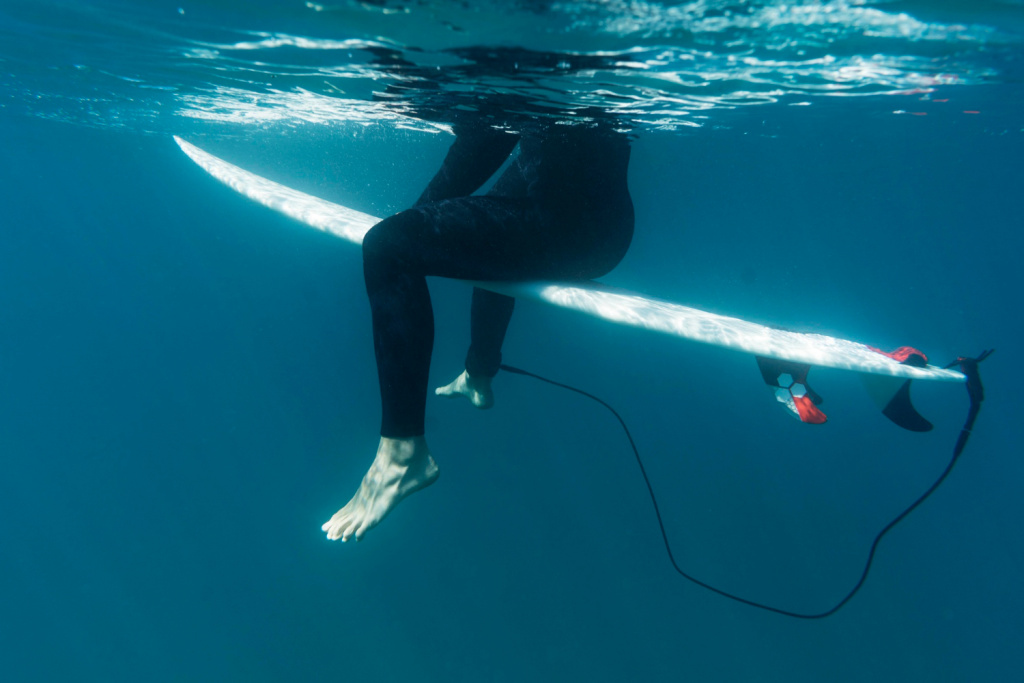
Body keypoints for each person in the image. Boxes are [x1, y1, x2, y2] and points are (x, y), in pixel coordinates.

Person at [321, 117, 634, 541]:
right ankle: (478, 374)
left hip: (579, 228)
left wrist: (411, 223)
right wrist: (420, 218)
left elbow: (488, 136)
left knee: (388, 247)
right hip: (584, 214)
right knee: (491, 225)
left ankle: (403, 454)